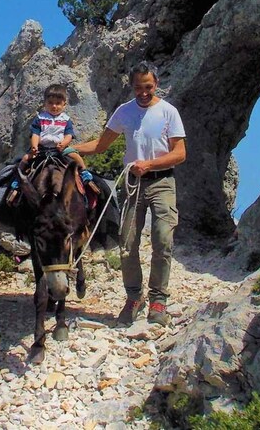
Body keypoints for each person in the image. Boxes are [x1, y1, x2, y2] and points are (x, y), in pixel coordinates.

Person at [72, 62, 186, 326]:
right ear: (132, 87)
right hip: (133, 184)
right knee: (127, 244)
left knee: (163, 240)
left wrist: (149, 164)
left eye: (148, 87)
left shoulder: (169, 112)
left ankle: (158, 300)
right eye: (138, 88)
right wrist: (72, 149)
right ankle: (134, 297)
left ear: (155, 84)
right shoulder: (124, 112)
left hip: (162, 182)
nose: (143, 93)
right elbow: (102, 145)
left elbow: (180, 153)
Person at [7, 84, 97, 203]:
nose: (54, 106)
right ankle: (17, 181)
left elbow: (68, 135)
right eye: (50, 103)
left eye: (58, 103)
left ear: (64, 104)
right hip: (42, 148)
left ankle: (85, 173)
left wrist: (63, 143)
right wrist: (34, 145)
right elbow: (35, 133)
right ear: (45, 103)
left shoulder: (66, 120)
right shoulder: (40, 118)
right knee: (25, 159)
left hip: (59, 149)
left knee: (75, 155)